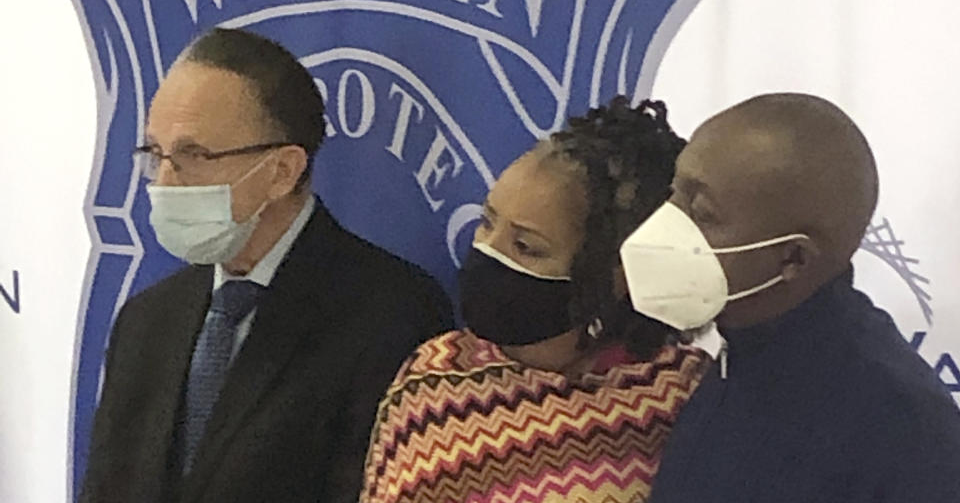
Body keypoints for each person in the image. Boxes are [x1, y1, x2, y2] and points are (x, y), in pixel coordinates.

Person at [79, 28, 453, 503]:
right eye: (156, 154)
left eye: (194, 155)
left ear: (282, 171)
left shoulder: (393, 317)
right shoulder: (147, 319)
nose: (166, 182)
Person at [360, 97, 709, 503]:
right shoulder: (434, 375)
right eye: (487, 223)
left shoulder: (681, 394)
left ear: (615, 272)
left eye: (526, 246)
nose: (489, 251)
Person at [619, 93, 960, 502]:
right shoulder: (742, 349)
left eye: (703, 213)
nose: (665, 225)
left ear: (793, 258)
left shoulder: (902, 431)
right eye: (674, 194)